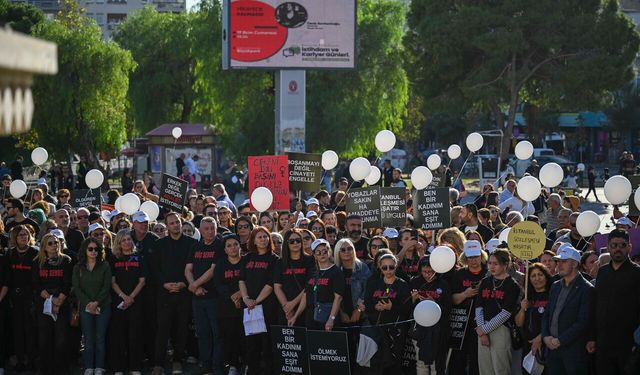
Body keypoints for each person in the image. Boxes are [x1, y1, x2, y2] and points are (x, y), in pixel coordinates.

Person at [589, 229, 640, 374]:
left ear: (629, 247)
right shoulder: (603, 272)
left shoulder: (637, 273)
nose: (618, 249)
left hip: (629, 345)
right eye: (614, 245)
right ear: (608, 247)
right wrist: (592, 337)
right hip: (603, 344)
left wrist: (637, 343)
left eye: (622, 245)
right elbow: (596, 306)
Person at [151, 212, 196, 375]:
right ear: (167, 225)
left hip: (184, 292)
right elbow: (155, 269)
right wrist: (164, 284)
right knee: (162, 329)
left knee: (181, 329)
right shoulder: (159, 244)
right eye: (171, 223)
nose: (175, 225)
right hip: (164, 293)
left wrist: (185, 283)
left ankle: (178, 360)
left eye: (177, 222)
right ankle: (159, 363)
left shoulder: (192, 243)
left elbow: (194, 267)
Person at [541, 245, 593, 375]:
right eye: (558, 261)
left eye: (564, 261)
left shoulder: (587, 289)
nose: (559, 265)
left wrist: (560, 340)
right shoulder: (555, 285)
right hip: (552, 350)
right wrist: (546, 336)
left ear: (575, 263)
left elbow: (583, 322)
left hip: (573, 352)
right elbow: (547, 314)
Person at [238, 226, 279, 375]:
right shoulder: (247, 258)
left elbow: (270, 284)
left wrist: (256, 301)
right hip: (249, 307)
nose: (263, 239)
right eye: (259, 237)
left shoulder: (274, 259)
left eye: (265, 236)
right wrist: (246, 298)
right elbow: (241, 280)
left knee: (267, 343)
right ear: (253, 240)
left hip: (266, 307)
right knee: (251, 344)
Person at [33, 232, 74, 375]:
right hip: (44, 304)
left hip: (62, 304)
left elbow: (68, 283)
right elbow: (36, 285)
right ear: (44, 246)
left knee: (61, 339)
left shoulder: (66, 260)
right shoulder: (37, 262)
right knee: (45, 338)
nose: (54, 245)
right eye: (50, 243)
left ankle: (61, 369)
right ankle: (46, 369)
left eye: (56, 242)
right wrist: (50, 299)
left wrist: (59, 301)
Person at [474, 248, 521, 375]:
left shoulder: (512, 285)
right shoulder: (485, 281)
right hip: (482, 326)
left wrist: (484, 330)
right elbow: (479, 306)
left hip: (501, 329)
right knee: (485, 369)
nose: (492, 266)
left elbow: (506, 313)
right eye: (490, 263)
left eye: (496, 264)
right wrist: (481, 330)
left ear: (506, 264)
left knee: (500, 369)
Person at [364, 253, 411, 374]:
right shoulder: (373, 284)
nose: (388, 270)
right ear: (379, 267)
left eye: (391, 267)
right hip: (377, 328)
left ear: (396, 266)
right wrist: (375, 306)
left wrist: (392, 307)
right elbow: (366, 304)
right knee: (377, 361)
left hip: (396, 330)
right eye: (385, 268)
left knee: (394, 362)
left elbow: (407, 309)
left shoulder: (403, 285)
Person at [108, 229, 147, 375]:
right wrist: (124, 296)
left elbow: (142, 281)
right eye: (123, 240)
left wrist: (131, 297)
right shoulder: (114, 259)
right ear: (118, 242)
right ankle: (119, 367)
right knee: (119, 335)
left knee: (135, 334)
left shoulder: (139, 257)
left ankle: (135, 367)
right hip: (119, 301)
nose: (126, 242)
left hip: (136, 301)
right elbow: (112, 282)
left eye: (129, 239)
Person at [72, 238, 112, 375]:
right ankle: (89, 366)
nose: (93, 251)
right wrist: (88, 303)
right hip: (85, 307)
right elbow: (76, 288)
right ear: (85, 250)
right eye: (90, 249)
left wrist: (96, 303)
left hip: (103, 306)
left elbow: (106, 287)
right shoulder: (78, 267)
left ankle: (99, 366)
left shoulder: (105, 265)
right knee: (88, 338)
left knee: (100, 338)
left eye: (96, 249)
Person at [448, 240, 488, 375]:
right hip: (462, 323)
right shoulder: (459, 274)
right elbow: (452, 299)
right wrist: (465, 294)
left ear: (481, 255)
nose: (474, 260)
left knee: (478, 361)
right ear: (465, 257)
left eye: (476, 256)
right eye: (470, 257)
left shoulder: (488, 273)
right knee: (458, 360)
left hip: (483, 323)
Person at [409, 255, 451, 374]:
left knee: (436, 364)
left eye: (430, 271)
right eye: (424, 272)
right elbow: (407, 308)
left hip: (438, 329)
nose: (427, 274)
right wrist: (413, 299)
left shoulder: (443, 284)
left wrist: (435, 303)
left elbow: (448, 308)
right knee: (421, 362)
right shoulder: (415, 282)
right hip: (419, 327)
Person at [7, 225, 39, 372]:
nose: (24, 237)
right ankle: (20, 360)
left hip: (30, 297)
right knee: (17, 330)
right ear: (15, 237)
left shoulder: (35, 253)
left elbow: (36, 278)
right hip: (14, 297)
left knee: (30, 330)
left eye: (26, 234)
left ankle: (31, 360)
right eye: (20, 235)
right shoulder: (10, 253)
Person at [214, 234, 244, 375]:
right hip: (226, 308)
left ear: (240, 246)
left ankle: (246, 364)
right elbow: (218, 285)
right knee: (229, 337)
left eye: (235, 244)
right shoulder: (220, 264)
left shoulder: (246, 261)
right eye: (229, 245)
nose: (233, 248)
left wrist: (240, 295)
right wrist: (232, 297)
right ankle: (232, 365)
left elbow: (251, 281)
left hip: (246, 305)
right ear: (225, 250)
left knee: (245, 337)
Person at [273, 229, 314, 327]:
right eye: (291, 241)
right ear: (287, 243)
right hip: (285, 310)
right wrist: (286, 306)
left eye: (298, 240)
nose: (295, 243)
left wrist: (292, 304)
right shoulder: (280, 262)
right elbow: (277, 287)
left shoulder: (310, 260)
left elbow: (309, 286)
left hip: (304, 307)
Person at [514, 263, 552, 363]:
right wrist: (522, 309)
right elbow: (518, 323)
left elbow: (553, 321)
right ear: (529, 279)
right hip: (528, 345)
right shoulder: (527, 297)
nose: (537, 278)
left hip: (547, 344)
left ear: (546, 276)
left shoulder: (553, 294)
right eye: (533, 276)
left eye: (540, 274)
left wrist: (540, 338)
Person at [305, 239, 344, 330]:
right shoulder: (312, 272)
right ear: (314, 255)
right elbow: (306, 294)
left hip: (327, 316)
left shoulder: (336, 271)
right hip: (312, 315)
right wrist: (295, 315)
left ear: (329, 252)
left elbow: (338, 298)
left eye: (324, 251)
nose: (322, 254)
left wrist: (331, 319)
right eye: (318, 252)